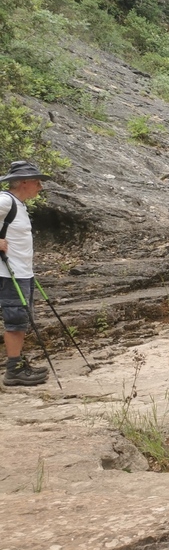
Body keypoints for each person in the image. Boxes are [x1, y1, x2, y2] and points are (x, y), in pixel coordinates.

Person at [0, 161, 52, 386]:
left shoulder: (18, 204)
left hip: (22, 272)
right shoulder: (5, 200)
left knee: (21, 319)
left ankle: (17, 364)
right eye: (37, 182)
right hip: (8, 273)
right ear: (23, 182)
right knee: (16, 320)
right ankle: (13, 371)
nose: (40, 186)